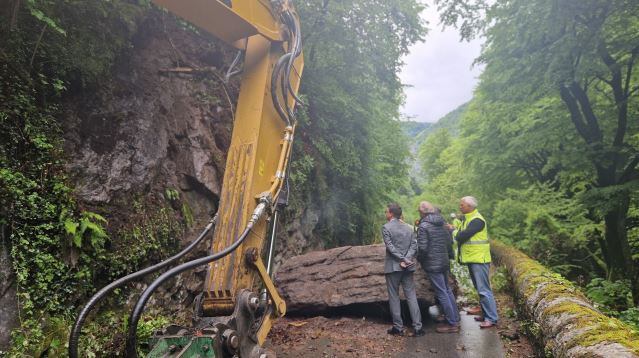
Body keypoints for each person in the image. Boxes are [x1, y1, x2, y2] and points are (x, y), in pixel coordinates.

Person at [446, 196, 499, 328]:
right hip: (473, 258)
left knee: (484, 290)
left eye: (462, 205)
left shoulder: (477, 220)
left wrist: (453, 230)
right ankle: (485, 314)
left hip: (479, 259)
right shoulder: (468, 218)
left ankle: (491, 318)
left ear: (470, 206)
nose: (460, 206)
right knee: (479, 288)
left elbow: (461, 236)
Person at [416, 201, 460, 333]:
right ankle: (454, 317)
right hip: (444, 261)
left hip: (432, 263)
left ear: (423, 212)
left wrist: (420, 259)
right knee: (447, 290)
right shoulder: (442, 222)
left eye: (419, 210)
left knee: (441, 292)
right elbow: (448, 242)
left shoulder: (423, 226)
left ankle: (452, 324)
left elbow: (422, 248)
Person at [382, 203, 424, 337]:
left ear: (391, 214)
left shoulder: (386, 227)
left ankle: (398, 328)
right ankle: (418, 327)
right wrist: (407, 259)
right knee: (411, 296)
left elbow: (390, 247)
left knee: (394, 297)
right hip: (408, 266)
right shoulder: (410, 228)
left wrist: (402, 259)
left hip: (394, 267)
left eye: (386, 212)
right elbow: (414, 245)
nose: (385, 214)